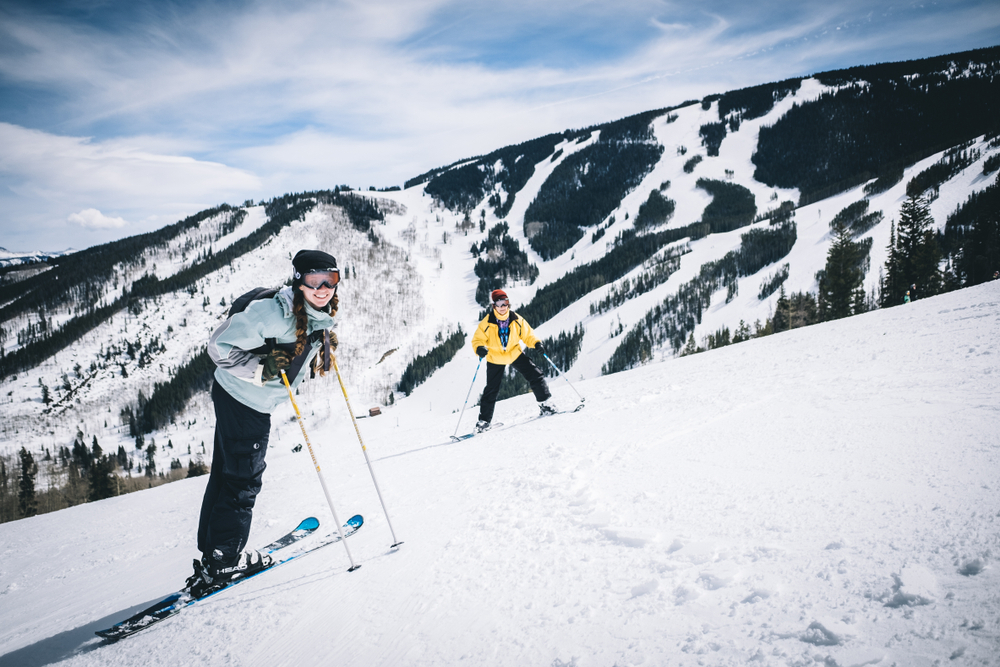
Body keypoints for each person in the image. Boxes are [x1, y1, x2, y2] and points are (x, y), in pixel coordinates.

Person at [186, 249, 340, 595]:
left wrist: (322, 344)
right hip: (245, 403)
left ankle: (213, 553)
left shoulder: (319, 311)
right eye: (315, 280)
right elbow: (218, 347)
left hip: (243, 400)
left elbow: (300, 340)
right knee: (243, 481)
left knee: (227, 474)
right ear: (299, 281)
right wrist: (261, 369)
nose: (323, 288)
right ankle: (223, 561)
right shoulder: (271, 314)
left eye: (331, 280)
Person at [470, 289, 555, 433]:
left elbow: (528, 335)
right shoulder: (487, 322)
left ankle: (545, 404)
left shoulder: (517, 319)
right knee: (491, 389)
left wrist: (536, 343)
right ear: (494, 306)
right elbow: (478, 339)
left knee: (535, 374)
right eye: (499, 303)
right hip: (495, 357)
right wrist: (479, 348)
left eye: (505, 303)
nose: (503, 307)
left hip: (514, 353)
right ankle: (484, 422)